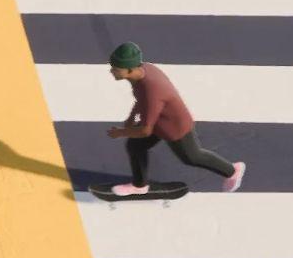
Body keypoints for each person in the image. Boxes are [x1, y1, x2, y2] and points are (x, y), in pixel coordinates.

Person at [104, 42, 245, 195]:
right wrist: (132, 119)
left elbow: (145, 131)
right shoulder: (144, 71)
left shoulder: (152, 89)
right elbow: (141, 100)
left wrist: (121, 132)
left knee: (192, 157)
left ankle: (232, 171)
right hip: (159, 121)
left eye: (116, 69)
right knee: (135, 146)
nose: (112, 71)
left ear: (130, 70)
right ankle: (139, 186)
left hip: (174, 127)